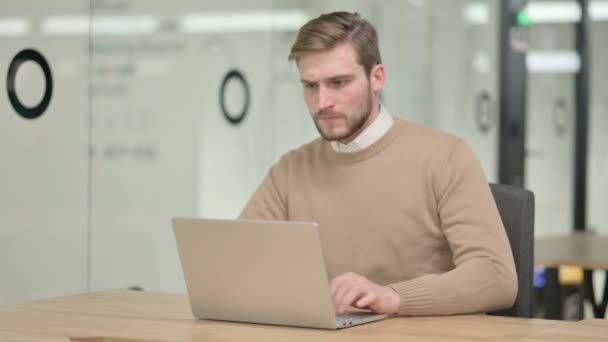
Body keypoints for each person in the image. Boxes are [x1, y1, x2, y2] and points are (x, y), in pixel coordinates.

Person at [239, 11, 517, 316]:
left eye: (339, 82)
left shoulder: (446, 156)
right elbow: (236, 263)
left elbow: (496, 277)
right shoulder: (290, 170)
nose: (322, 102)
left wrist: (393, 297)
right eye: (310, 86)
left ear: (377, 78)